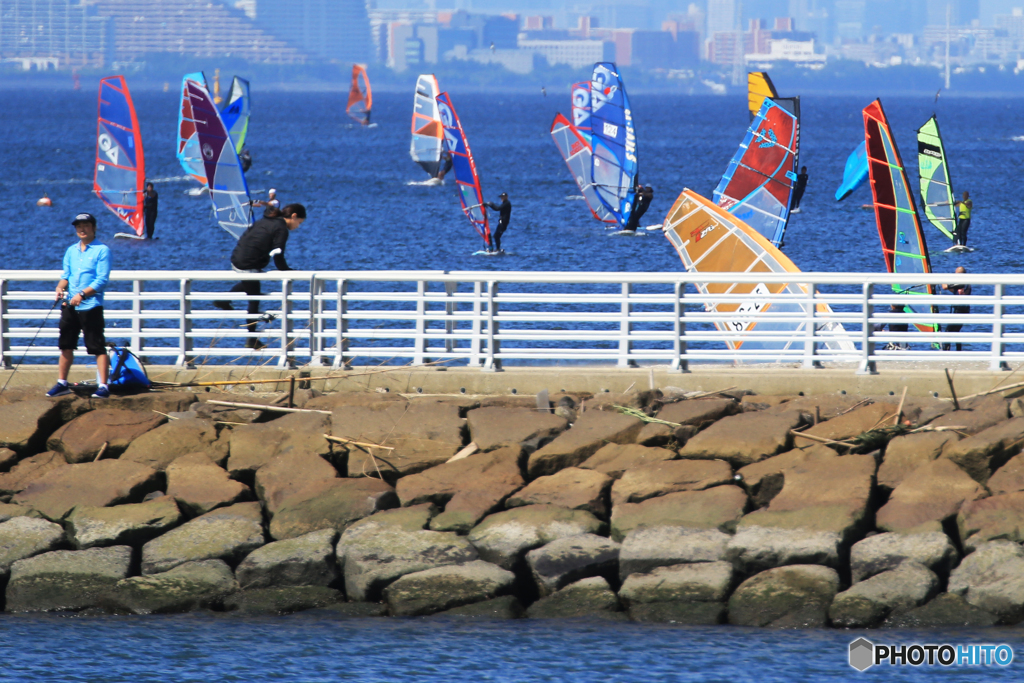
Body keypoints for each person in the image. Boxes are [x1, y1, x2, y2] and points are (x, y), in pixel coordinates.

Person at [214, 204, 307, 350]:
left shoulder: (267, 221)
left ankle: (223, 300)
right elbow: (277, 254)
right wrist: (286, 271)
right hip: (248, 263)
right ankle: (251, 340)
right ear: (293, 216)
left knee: (250, 283)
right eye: (299, 222)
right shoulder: (281, 228)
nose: (298, 226)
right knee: (254, 298)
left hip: (237, 258)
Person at [46, 213, 111, 399]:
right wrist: (60, 287)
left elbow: (102, 280)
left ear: (94, 228)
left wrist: (82, 294)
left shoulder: (102, 250)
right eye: (79, 226)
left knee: (97, 346)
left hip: (91, 306)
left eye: (86, 226)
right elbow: (66, 275)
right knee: (66, 345)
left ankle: (104, 386)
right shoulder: (71, 251)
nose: (82, 229)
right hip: (70, 306)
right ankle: (62, 383)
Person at [942, 266, 971, 351]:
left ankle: (946, 351)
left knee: (948, 331)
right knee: (956, 332)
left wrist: (942, 280)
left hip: (960, 311)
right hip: (960, 310)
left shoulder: (962, 283)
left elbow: (944, 286)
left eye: (957, 274)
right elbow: (952, 290)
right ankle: (959, 352)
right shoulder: (962, 284)